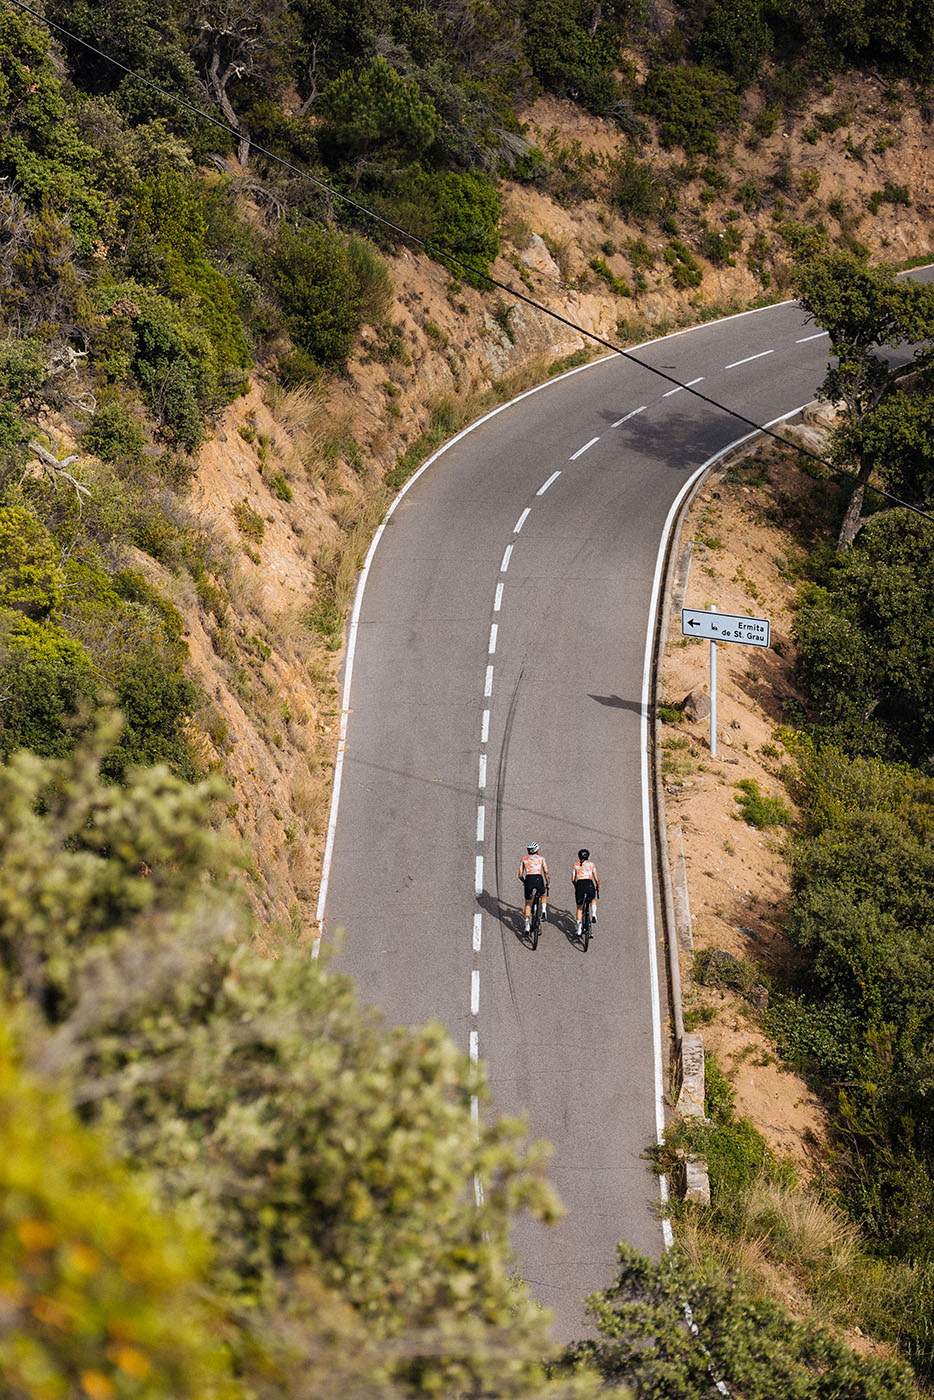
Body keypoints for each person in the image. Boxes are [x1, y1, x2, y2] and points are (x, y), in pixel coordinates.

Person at [518, 841, 549, 933]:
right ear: (537, 850)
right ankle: (543, 910)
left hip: (528, 879)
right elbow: (546, 872)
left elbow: (519, 874)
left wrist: (525, 881)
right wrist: (548, 882)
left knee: (528, 903)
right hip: (538, 878)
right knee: (543, 893)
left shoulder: (524, 859)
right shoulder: (541, 858)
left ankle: (527, 926)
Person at [572, 848, 600, 935]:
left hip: (580, 884)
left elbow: (573, 879)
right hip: (589, 883)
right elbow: (596, 879)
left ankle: (579, 929)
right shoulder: (591, 864)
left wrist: (576, 886)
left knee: (579, 908)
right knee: (592, 899)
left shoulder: (575, 865)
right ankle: (594, 914)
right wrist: (598, 886)